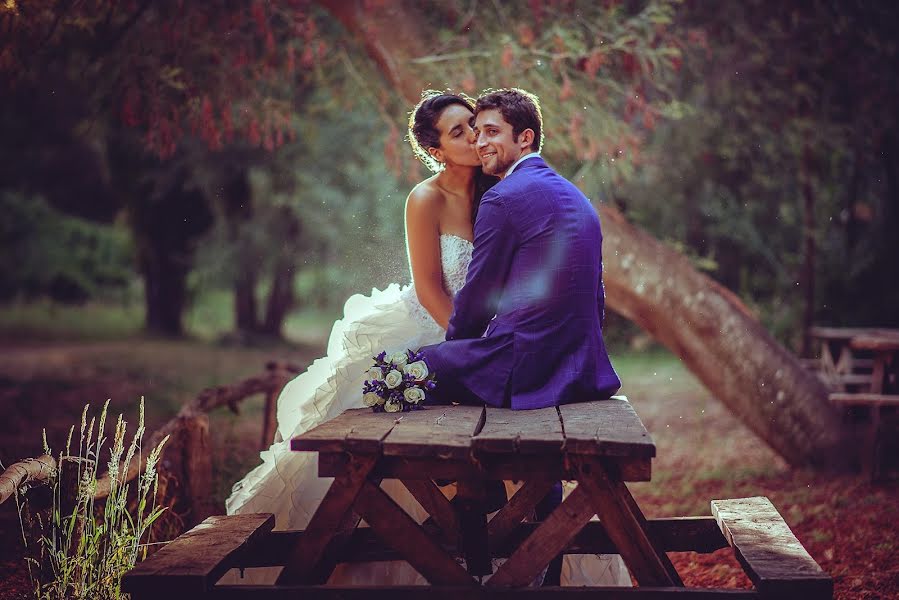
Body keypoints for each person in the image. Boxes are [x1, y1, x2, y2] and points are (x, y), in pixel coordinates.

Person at [420, 88, 628, 586]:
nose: (480, 141)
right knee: (537, 456)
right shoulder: (574, 195)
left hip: (524, 364)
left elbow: (474, 304)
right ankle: (542, 569)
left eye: (491, 132)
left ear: (525, 137)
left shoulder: (505, 198)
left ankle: (474, 545)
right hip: (580, 366)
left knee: (407, 372)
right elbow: (593, 298)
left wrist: (456, 354)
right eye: (475, 132)